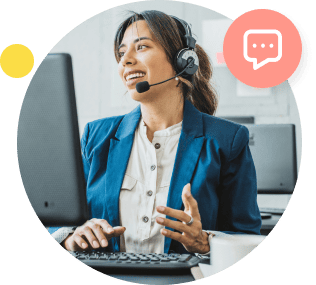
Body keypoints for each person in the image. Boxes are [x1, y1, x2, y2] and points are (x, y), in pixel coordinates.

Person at [49, 10, 261, 255]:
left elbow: (247, 236)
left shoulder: (227, 140)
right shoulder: (96, 136)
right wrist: (72, 237)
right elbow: (62, 218)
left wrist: (206, 242)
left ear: (182, 62)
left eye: (141, 47)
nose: (125, 60)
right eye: (120, 53)